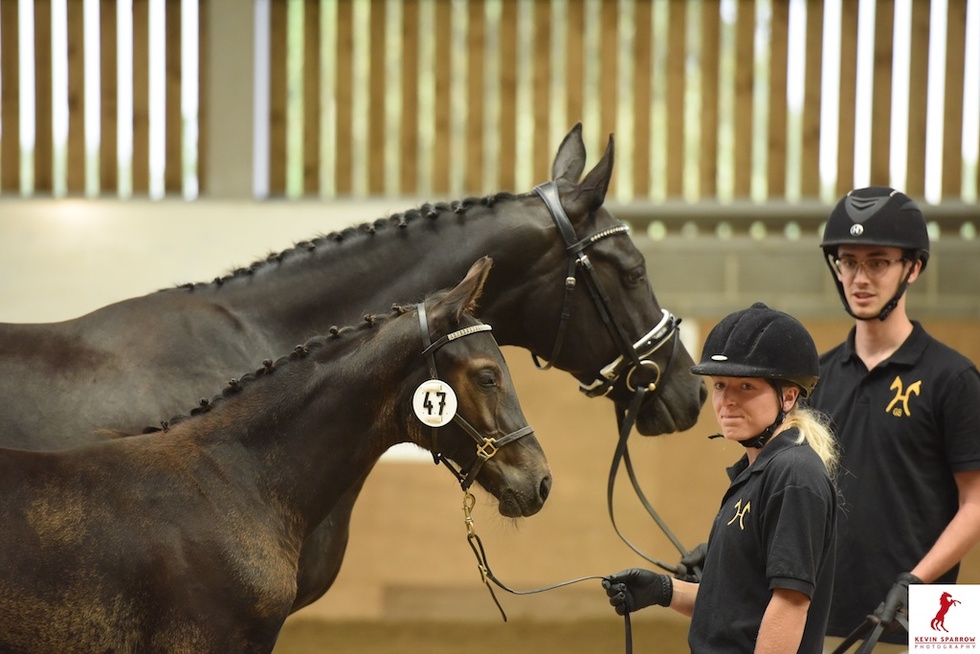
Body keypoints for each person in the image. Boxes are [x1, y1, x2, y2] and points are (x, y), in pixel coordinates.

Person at [604, 302, 839, 653]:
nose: (726, 400)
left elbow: (790, 605)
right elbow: (735, 609)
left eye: (745, 386)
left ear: (789, 396)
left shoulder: (793, 474)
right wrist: (664, 590)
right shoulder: (757, 472)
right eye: (719, 385)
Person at [813, 187, 980, 650]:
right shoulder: (815, 378)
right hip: (826, 614)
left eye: (878, 262)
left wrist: (916, 582)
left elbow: (976, 503)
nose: (860, 278)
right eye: (849, 262)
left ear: (913, 268)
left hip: (933, 615)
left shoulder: (955, 378)